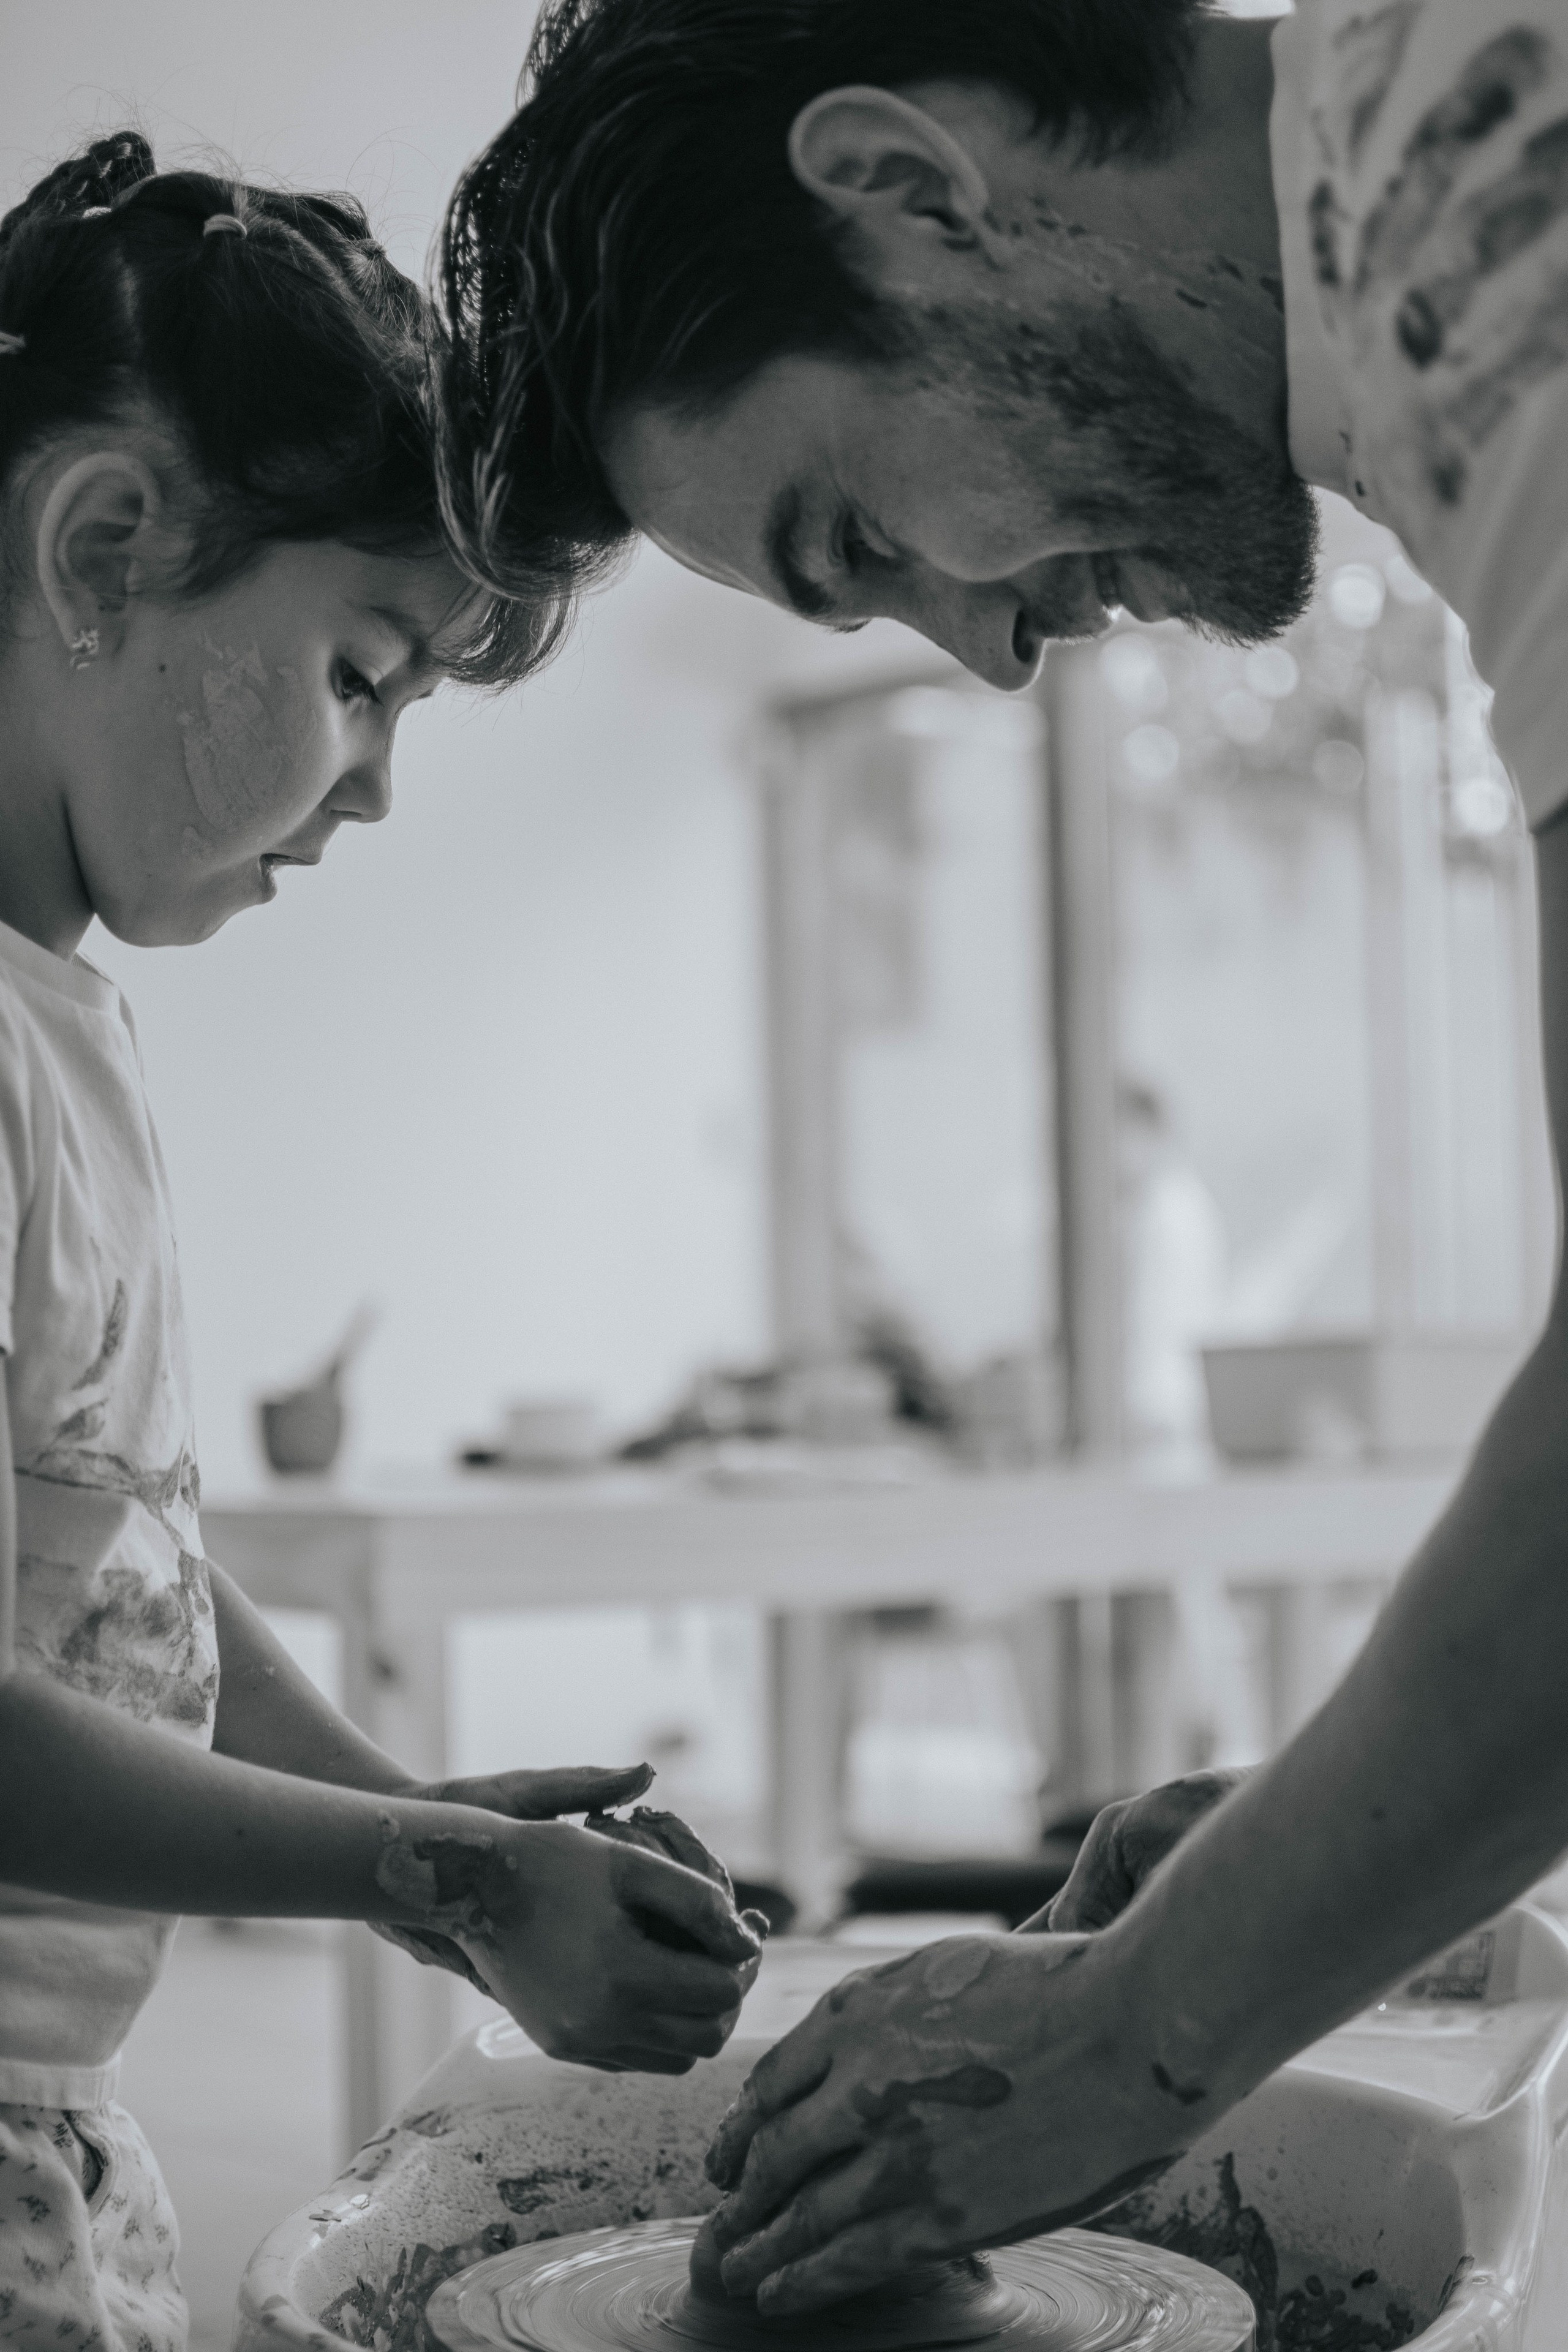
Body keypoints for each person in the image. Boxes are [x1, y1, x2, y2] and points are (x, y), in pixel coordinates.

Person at [429, 0, 1568, 2320]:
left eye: (859, 538)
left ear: (911, 188)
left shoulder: (1490, 235)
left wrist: (1149, 2026)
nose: (989, 659)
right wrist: (1330, 1858)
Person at [0, 132, 763, 2352]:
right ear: (103, 551)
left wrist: (424, 1835)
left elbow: (110, 1562)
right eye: (364, 672)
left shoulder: (74, 1025)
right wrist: (421, 1874)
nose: (376, 789)